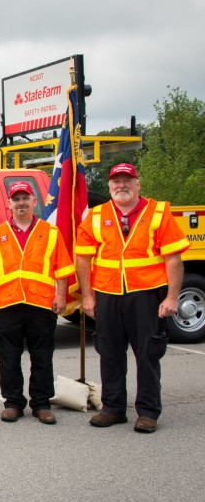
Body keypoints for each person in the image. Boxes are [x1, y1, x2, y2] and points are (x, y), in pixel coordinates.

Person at [75, 163, 190, 433]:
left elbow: (174, 258)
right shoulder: (95, 216)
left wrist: (172, 297)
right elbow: (82, 258)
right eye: (116, 181)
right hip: (108, 295)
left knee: (148, 353)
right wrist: (88, 297)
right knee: (110, 353)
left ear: (138, 184)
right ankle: (113, 409)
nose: (121, 185)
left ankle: (148, 412)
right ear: (109, 185)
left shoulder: (158, 213)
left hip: (148, 295)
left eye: (127, 180)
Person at [0, 181, 74, 424]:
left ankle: (41, 403)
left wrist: (61, 296)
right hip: (7, 303)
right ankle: (13, 403)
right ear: (9, 203)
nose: (21, 203)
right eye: (16, 199)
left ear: (34, 201)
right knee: (9, 356)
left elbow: (62, 269)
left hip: (41, 304)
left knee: (42, 356)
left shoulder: (51, 232)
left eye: (25, 198)